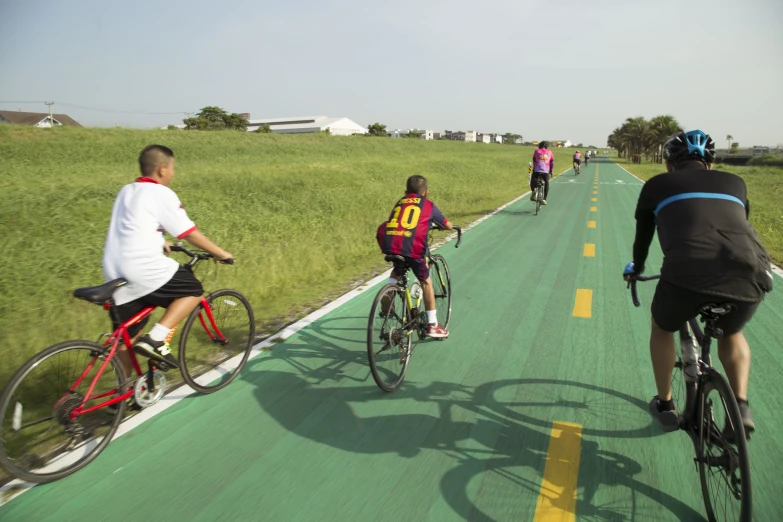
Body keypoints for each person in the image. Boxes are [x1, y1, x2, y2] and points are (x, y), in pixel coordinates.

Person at [623, 130, 773, 438]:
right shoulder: (736, 183)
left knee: (662, 327)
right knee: (731, 333)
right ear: (710, 162)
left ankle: (665, 404)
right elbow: (738, 222)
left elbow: (643, 237)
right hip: (751, 271)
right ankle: (741, 406)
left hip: (686, 275)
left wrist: (636, 269)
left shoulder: (656, 186)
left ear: (669, 164)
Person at [103, 145, 233, 372]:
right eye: (172, 168)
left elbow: (134, 224)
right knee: (192, 290)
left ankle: (121, 398)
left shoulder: (127, 190)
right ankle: (156, 339)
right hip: (142, 268)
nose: (173, 174)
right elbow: (188, 233)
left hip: (113, 271)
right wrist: (220, 253)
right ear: (162, 169)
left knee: (126, 338)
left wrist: (160, 240)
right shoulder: (160, 193)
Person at [376, 175, 454, 338]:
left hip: (392, 244)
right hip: (413, 247)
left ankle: (389, 293)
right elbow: (447, 225)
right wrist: (450, 227)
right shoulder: (428, 205)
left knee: (397, 270)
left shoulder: (401, 202)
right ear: (426, 193)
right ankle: (432, 325)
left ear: (406, 192)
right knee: (426, 282)